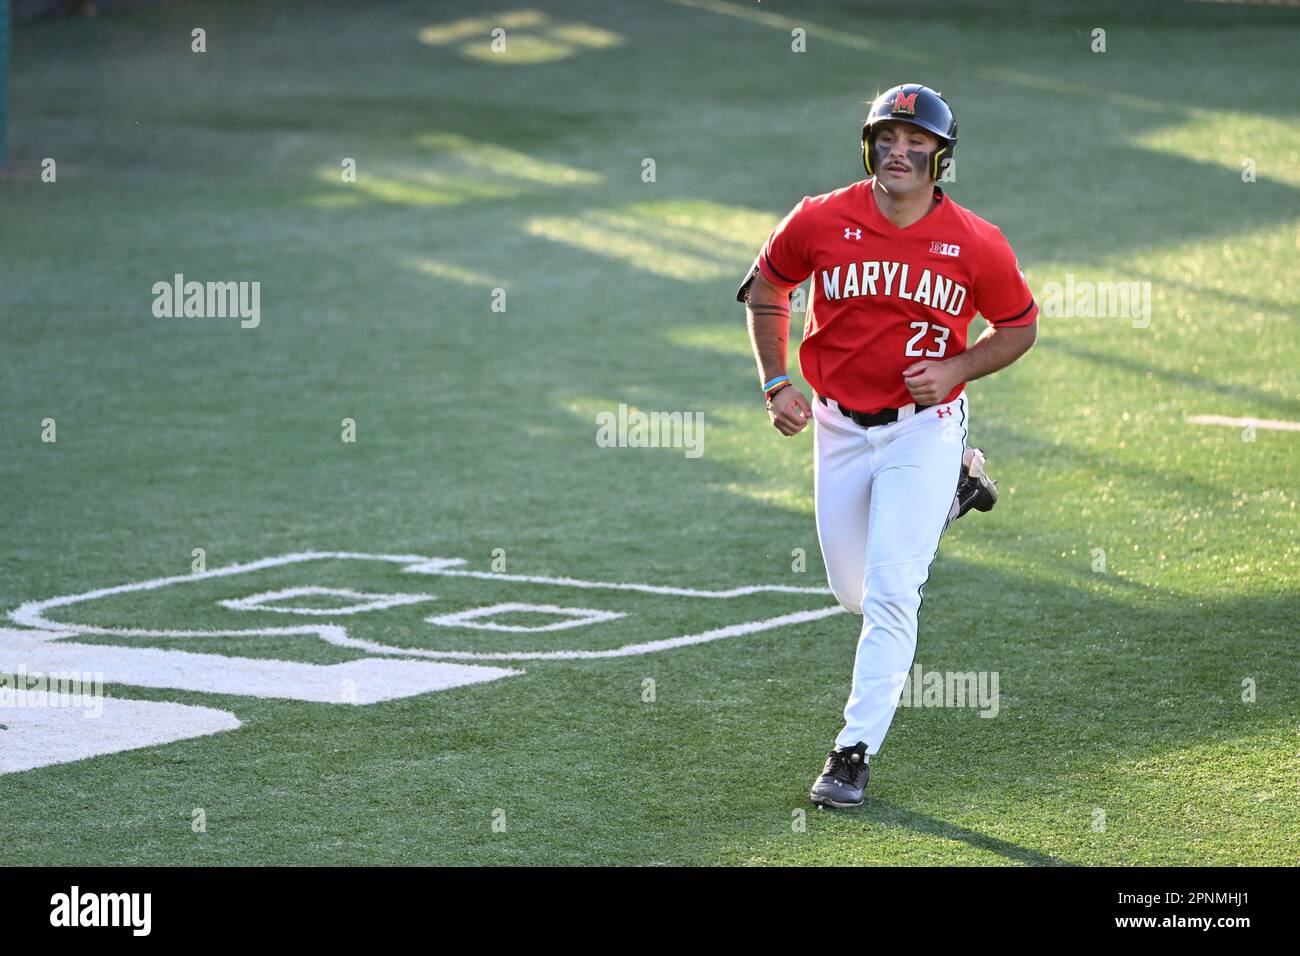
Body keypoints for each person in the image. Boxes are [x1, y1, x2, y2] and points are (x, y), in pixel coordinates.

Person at [737, 83, 1038, 808]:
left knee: (894, 593)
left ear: (942, 157)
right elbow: (767, 289)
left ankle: (852, 754)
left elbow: (1019, 327)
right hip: (839, 425)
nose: (898, 150)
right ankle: (956, 494)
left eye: (916, 141)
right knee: (856, 592)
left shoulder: (976, 241)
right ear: (869, 145)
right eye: (887, 137)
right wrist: (776, 380)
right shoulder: (819, 218)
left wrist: (960, 367)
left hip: (923, 427)